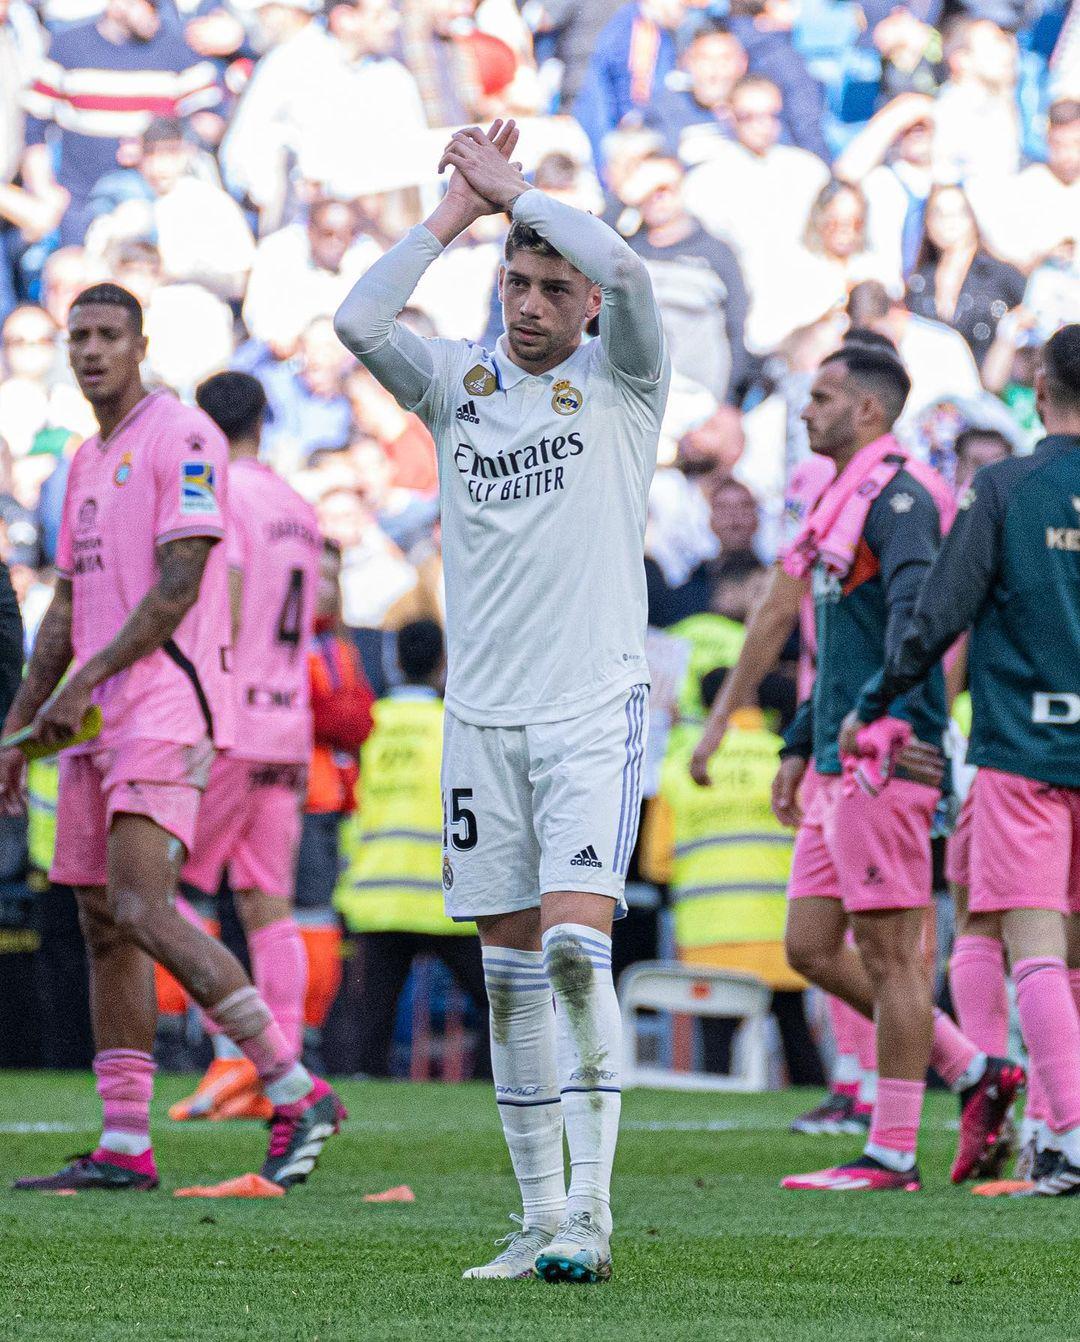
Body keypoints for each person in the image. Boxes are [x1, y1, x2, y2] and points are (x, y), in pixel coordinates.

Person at [334, 118, 669, 1281]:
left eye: (548, 287)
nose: (527, 302)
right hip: (482, 718)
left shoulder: (624, 381)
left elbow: (626, 267)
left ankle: (592, 1210)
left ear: (584, 309)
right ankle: (536, 1220)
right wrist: (455, 215)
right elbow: (358, 321)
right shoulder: (456, 386)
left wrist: (519, 187)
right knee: (511, 973)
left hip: (590, 708)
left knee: (578, 950)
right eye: (514, 281)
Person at [0, 283, 343, 1193]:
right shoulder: (82, 459)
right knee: (104, 922)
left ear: (141, 343)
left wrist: (83, 685)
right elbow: (68, 602)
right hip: (95, 714)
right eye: (77, 336)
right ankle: (123, 1143)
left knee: (146, 903)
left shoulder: (182, 435)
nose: (89, 351)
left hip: (165, 703)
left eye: (108, 334)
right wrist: (16, 728)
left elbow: (181, 581)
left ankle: (293, 1084)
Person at [772, 343, 1022, 1192]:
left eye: (822, 397)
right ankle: (976, 1070)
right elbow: (841, 645)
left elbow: (919, 620)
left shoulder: (904, 498)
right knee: (809, 944)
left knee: (891, 957)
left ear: (868, 412)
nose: (807, 411)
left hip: (888, 752)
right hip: (841, 751)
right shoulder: (848, 500)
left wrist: (880, 714)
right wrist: (801, 739)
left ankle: (892, 1152)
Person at [844, 324, 1080, 1196]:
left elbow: (939, 608)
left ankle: (1064, 1135)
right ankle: (1034, 1120)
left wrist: (877, 700)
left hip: (1022, 750)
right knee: (1028, 938)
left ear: (1040, 383)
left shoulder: (1007, 488)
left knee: (1029, 944)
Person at [169, 371, 324, 1124]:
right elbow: (321, 603)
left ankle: (236, 1056)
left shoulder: (220, 492)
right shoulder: (299, 505)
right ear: (265, 419)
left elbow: (221, 592)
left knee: (162, 894)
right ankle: (280, 1070)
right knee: (269, 906)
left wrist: (201, 704)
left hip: (228, 716)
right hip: (288, 722)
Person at [334, 618, 490, 1077]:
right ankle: (489, 1094)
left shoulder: (368, 725)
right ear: (444, 664)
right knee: (500, 1006)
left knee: (369, 1027)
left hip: (376, 898)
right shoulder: (456, 727)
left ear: (394, 661)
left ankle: (361, 1106)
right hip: (446, 900)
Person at [19, 0, 222, 245]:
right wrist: (44, 190)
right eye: (149, 5)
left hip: (154, 206)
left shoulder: (179, 50)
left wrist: (158, 146)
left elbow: (211, 124)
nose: (157, 14)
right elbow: (33, 129)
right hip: (80, 205)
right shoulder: (68, 48)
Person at [620, 153, 751, 404]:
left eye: (666, 187)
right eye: (649, 189)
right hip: (636, 397)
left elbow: (737, 328)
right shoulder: (624, 248)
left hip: (700, 400)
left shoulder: (715, 252)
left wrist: (730, 403)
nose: (657, 197)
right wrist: (628, 195)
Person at [904, 185, 1025, 369]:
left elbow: (1033, 313)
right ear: (927, 223)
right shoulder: (919, 280)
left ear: (974, 219)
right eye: (939, 214)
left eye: (959, 213)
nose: (949, 221)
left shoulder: (1000, 274)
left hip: (990, 389)